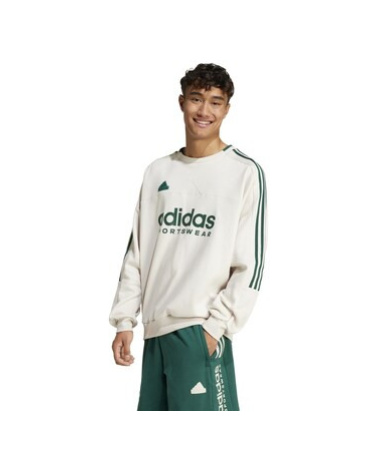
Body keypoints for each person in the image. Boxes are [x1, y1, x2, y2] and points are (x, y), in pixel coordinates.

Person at [109, 63, 267, 411]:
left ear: (226, 109)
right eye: (196, 99)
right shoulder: (158, 171)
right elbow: (137, 252)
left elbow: (250, 264)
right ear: (182, 102)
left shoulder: (243, 172)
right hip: (154, 333)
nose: (204, 110)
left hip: (199, 330)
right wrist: (124, 319)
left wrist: (214, 328)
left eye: (215, 102)